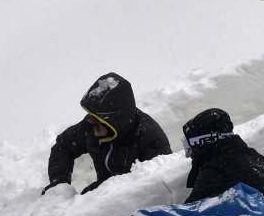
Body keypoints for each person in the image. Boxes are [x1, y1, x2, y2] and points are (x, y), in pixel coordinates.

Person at [43, 73, 171, 194]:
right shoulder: (92, 127)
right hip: (101, 197)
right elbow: (63, 147)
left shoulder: (150, 138)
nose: (91, 120)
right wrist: (59, 183)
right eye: (91, 115)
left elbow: (154, 189)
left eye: (97, 117)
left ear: (116, 119)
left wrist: (96, 192)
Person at [180, 107, 264, 204]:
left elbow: (189, 212)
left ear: (202, 142)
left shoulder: (216, 172)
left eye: (189, 147)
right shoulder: (250, 156)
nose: (189, 155)